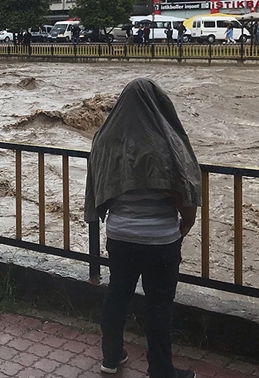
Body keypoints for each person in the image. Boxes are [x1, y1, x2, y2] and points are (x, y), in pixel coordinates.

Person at [85, 78, 201, 378]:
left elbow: (99, 187)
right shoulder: (167, 141)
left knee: (117, 295)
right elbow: (183, 195)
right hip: (160, 239)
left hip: (120, 235)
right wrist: (184, 225)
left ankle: (110, 358)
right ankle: (161, 369)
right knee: (159, 305)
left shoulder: (105, 139)